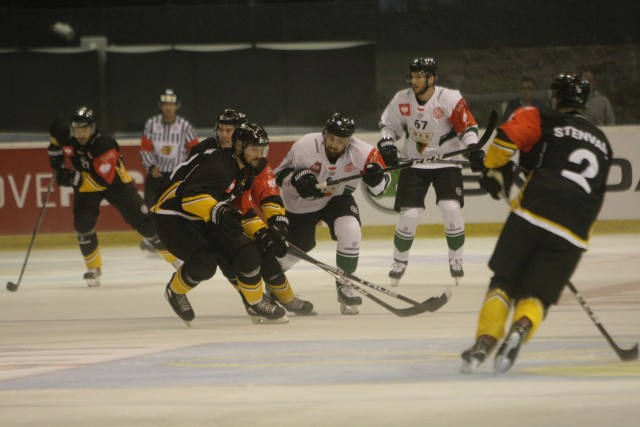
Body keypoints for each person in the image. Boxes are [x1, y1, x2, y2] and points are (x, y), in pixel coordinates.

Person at [460, 73, 612, 374]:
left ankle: (486, 340)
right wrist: (575, 237)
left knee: (503, 282)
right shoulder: (603, 143)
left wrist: (492, 168)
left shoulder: (542, 116)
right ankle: (521, 327)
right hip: (575, 229)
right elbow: (594, 193)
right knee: (537, 295)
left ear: (555, 98)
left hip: (533, 212)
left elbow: (506, 139)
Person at [152, 122, 313, 325]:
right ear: (239, 147)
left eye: (262, 149)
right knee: (205, 263)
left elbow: (241, 210)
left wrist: (263, 231)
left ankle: (256, 303)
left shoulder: (245, 170)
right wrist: (221, 211)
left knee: (247, 253)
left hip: (205, 216)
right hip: (173, 217)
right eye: (255, 149)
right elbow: (190, 198)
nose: (260, 155)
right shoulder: (220, 165)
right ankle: (174, 292)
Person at [190, 108, 315, 318]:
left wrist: (276, 220)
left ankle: (286, 298)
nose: (223, 135)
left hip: (241, 215)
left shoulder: (252, 156)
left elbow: (266, 190)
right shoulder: (208, 153)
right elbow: (194, 189)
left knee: (266, 253)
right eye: (221, 129)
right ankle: (252, 300)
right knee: (235, 258)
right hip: (211, 217)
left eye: (229, 130)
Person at [376, 57, 483, 287]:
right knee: (410, 214)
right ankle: (399, 262)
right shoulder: (401, 99)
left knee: (450, 207)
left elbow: (467, 126)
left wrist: (473, 147)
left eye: (419, 76)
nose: (414, 80)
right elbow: (388, 126)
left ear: (432, 78)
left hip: (447, 162)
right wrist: (386, 142)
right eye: (412, 76)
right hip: (413, 163)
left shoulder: (449, 98)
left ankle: (456, 260)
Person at [47, 106, 180, 287]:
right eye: (77, 130)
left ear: (92, 128)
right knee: (82, 225)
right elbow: (54, 136)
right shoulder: (65, 134)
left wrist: (72, 177)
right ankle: (93, 268)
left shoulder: (104, 145)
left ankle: (175, 260)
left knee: (145, 224)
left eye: (84, 129)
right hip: (86, 184)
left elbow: (102, 181)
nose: (80, 134)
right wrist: (56, 159)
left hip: (115, 184)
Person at [274, 112, 390, 315]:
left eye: (341, 141)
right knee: (298, 248)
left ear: (349, 140)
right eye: (332, 138)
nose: (335, 144)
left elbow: (382, 186)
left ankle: (345, 283)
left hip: (336, 198)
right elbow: (277, 175)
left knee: (350, 228)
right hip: (302, 204)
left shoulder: (364, 152)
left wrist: (376, 179)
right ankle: (272, 283)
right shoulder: (304, 146)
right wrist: (297, 180)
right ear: (324, 134)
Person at [139, 89, 199, 251]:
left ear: (177, 106)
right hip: (156, 175)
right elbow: (145, 149)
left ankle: (178, 240)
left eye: (171, 104)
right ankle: (153, 239)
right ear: (161, 106)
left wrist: (188, 171)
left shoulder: (184, 126)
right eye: (165, 104)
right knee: (149, 208)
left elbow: (195, 150)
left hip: (176, 176)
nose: (168, 108)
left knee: (177, 209)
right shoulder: (152, 124)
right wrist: (151, 167)